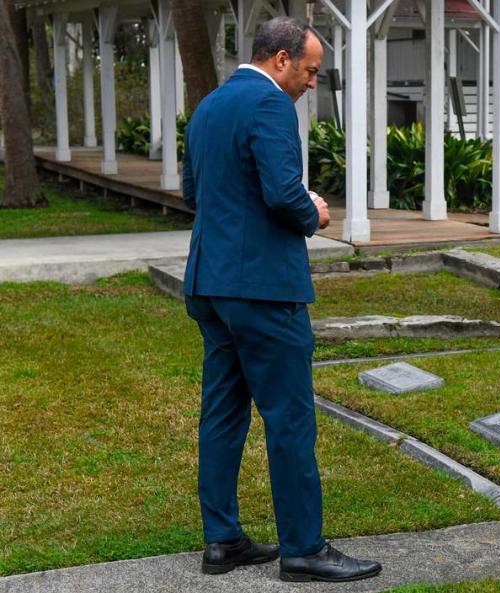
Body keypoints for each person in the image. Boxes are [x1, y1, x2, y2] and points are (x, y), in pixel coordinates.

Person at [181, 16, 381, 583]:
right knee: (289, 418)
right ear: (281, 60)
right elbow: (280, 193)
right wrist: (312, 212)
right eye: (311, 71)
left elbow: (194, 193)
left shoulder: (210, 106)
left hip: (210, 284)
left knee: (221, 414)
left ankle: (221, 540)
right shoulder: (270, 106)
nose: (313, 82)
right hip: (264, 289)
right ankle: (303, 549)